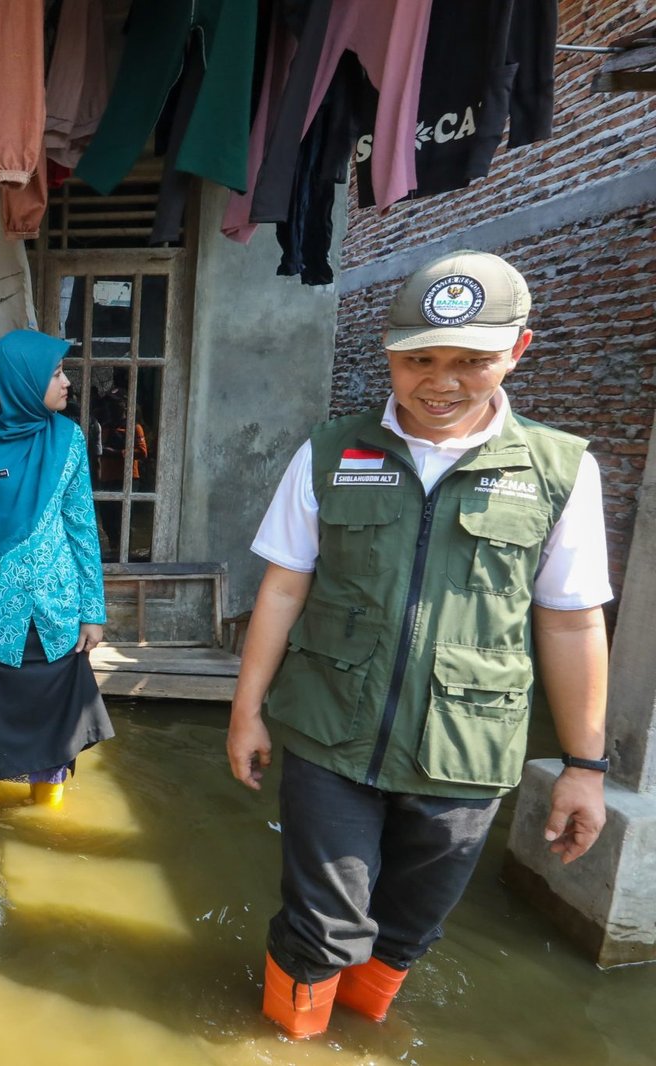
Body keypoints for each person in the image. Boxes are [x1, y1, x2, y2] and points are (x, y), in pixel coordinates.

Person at [225, 250, 611, 1039]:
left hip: (467, 749)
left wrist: (585, 767)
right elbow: (284, 587)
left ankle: (361, 1032)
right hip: (332, 730)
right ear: (391, 357)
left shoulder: (559, 470)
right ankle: (293, 1046)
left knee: (409, 930)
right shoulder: (331, 452)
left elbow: (570, 620)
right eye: (419, 360)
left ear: (517, 352)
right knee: (321, 926)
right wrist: (246, 712)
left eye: (472, 361)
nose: (442, 381)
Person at [0, 330, 112, 807]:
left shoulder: (69, 439)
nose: (66, 383)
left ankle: (46, 816)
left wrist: (92, 611)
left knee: (55, 731)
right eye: (56, 373)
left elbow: (81, 527)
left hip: (57, 615)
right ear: (20, 380)